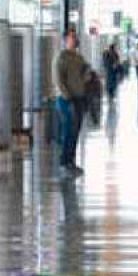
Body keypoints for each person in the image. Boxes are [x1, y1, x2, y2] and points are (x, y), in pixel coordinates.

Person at [54, 31, 95, 177]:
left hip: (79, 98)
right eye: (71, 37)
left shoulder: (79, 58)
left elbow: (84, 76)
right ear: (65, 40)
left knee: (75, 131)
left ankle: (70, 162)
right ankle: (64, 163)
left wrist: (87, 74)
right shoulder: (61, 57)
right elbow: (58, 80)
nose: (75, 39)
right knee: (68, 131)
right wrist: (67, 97)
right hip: (66, 100)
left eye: (75, 36)